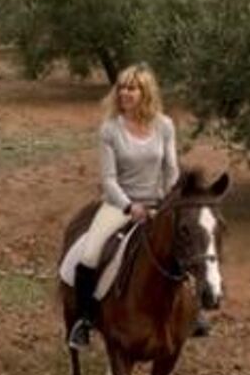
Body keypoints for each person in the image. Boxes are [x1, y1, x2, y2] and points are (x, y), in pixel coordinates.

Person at [59, 64, 181, 351]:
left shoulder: (165, 125)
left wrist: (168, 203)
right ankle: (85, 321)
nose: (125, 93)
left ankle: (193, 313)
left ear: (145, 92)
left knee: (189, 247)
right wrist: (130, 207)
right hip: (119, 205)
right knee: (89, 254)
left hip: (158, 203)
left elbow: (171, 169)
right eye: (122, 87)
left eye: (132, 87)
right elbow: (109, 180)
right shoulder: (110, 130)